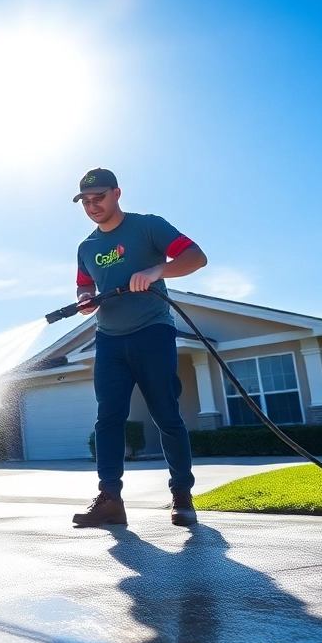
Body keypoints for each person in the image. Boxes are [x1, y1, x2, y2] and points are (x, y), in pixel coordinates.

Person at [68, 167, 208, 528]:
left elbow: (196, 257)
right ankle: (110, 501)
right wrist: (86, 300)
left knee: (166, 415)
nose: (92, 205)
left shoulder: (148, 226)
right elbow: (85, 287)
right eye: (85, 200)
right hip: (109, 339)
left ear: (117, 193)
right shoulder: (87, 248)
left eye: (99, 197)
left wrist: (157, 271)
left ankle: (182, 497)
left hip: (152, 331)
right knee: (108, 419)